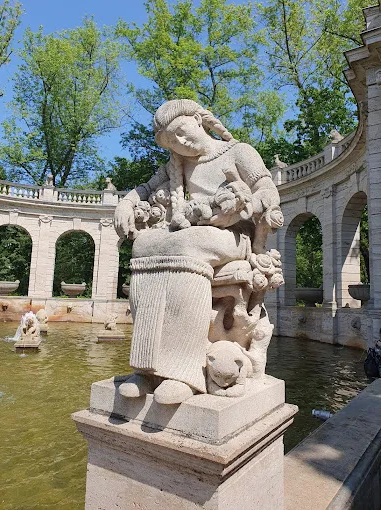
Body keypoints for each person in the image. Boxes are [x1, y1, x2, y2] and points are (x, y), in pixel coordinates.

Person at [114, 99, 282, 404]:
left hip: (233, 236)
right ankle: (145, 369)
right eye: (171, 142)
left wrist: (240, 208)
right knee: (142, 244)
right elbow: (144, 188)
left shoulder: (238, 151)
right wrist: (126, 203)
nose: (180, 142)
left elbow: (268, 191)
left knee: (185, 243)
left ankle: (184, 372)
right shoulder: (176, 165)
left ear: (197, 118)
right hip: (196, 232)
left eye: (181, 131)